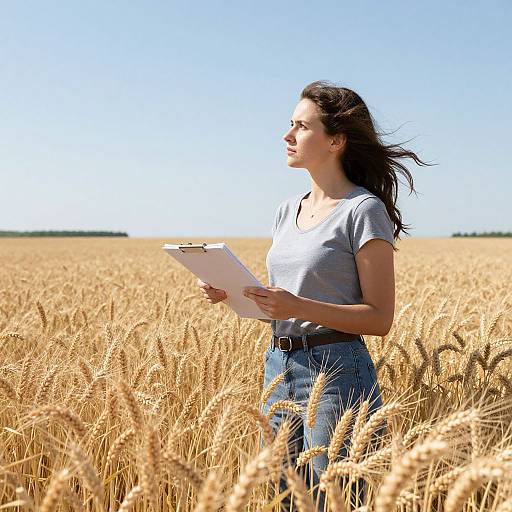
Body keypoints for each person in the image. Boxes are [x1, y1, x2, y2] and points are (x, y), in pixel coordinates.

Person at [198, 80, 431, 511]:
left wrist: (298, 306)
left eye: (301, 127)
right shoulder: (287, 209)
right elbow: (284, 303)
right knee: (287, 499)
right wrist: (232, 292)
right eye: (290, 125)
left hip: (337, 372)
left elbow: (380, 318)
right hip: (278, 365)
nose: (287, 136)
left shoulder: (363, 210)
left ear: (337, 140)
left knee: (334, 500)